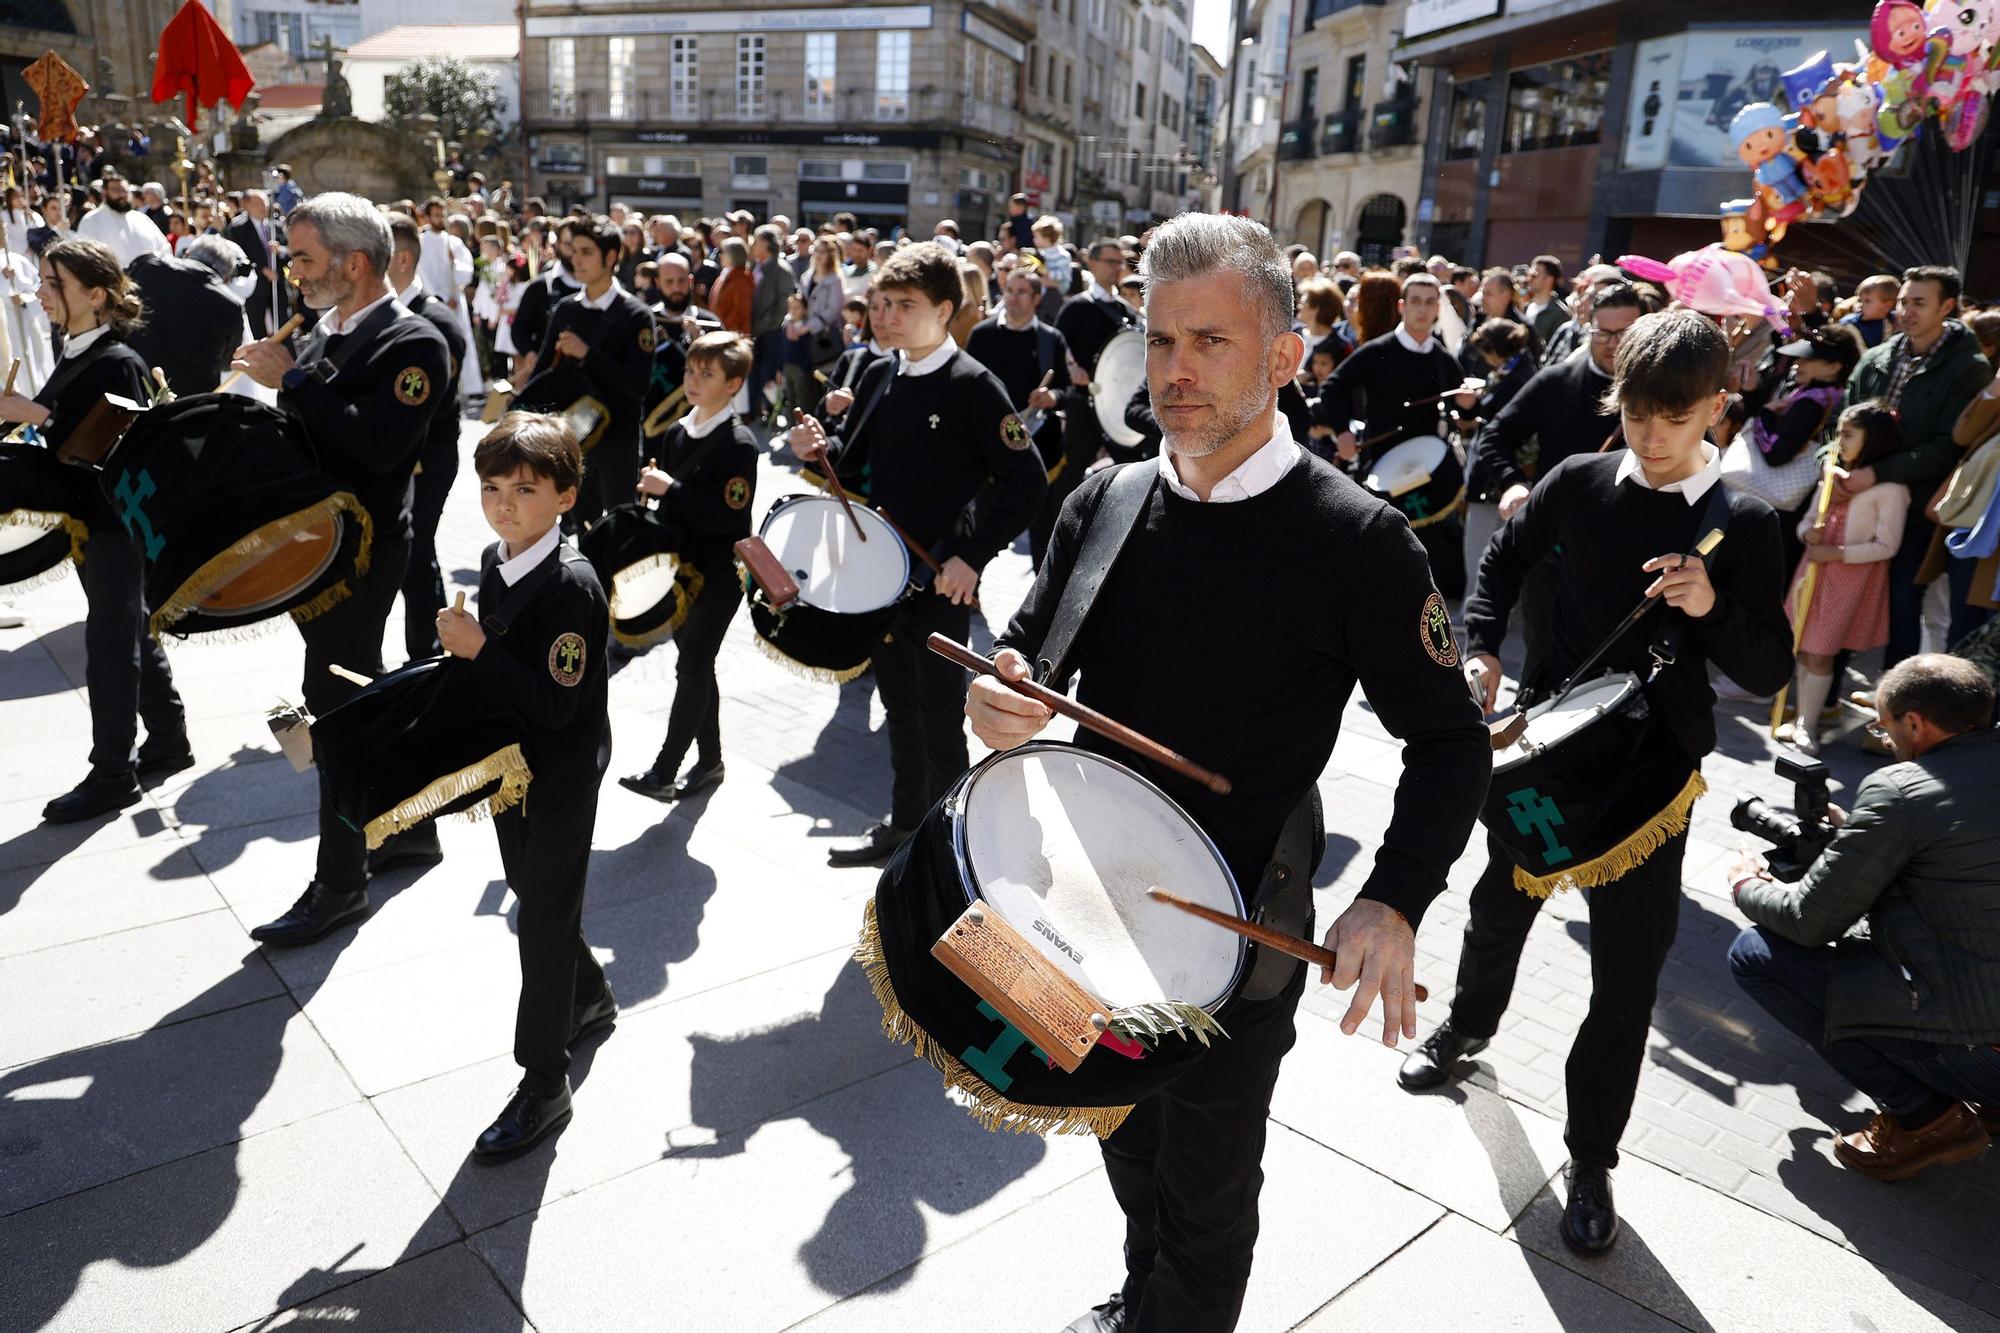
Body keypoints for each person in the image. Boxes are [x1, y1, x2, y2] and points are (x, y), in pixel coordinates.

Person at [968, 213, 1489, 1333]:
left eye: (1209, 341)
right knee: (1117, 1124)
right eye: (1159, 341)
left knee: (1205, 1190)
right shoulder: (1101, 500)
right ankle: (1140, 1286)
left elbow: (1450, 741)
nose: (1175, 372)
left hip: (1236, 929)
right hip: (1082, 907)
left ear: (1284, 357)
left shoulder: (1356, 542)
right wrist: (998, 694)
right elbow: (1025, 645)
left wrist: (1392, 897)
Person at [1405, 309, 1794, 1256]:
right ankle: (1466, 1025)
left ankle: (1592, 1157)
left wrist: (1711, 607)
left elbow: (1771, 663)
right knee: (1500, 904)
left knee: (1625, 978)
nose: (1653, 436)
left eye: (1675, 415)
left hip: (1648, 784)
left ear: (1716, 405)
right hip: (1543, 746)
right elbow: (1498, 564)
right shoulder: (1579, 479)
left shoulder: (1740, 520)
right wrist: (1484, 648)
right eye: (1636, 412)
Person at [233, 192, 454, 947]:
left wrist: (294, 380)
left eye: (304, 259)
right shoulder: (328, 332)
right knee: (358, 695)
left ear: (354, 264)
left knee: (334, 709)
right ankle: (412, 830)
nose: (293, 273)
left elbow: (377, 449)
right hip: (316, 546)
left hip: (364, 551)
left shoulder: (414, 341)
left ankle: (338, 885)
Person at [787, 242, 1047, 866]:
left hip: (937, 582)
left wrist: (972, 556)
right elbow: (850, 468)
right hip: (879, 578)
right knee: (897, 705)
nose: (886, 316)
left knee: (937, 715)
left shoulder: (974, 385)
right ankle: (906, 828)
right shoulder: (879, 375)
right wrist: (814, 447)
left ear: (946, 309)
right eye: (881, 303)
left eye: (905, 305)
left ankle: (955, 849)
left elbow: (1027, 481)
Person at [1728, 654, 2000, 1180]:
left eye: (1884, 724)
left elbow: (1810, 921)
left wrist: (1745, 885)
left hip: (1983, 1049)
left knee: (1756, 955)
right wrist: (1863, 837)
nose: (1885, 736)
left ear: (1916, 723)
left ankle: (1927, 1119)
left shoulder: (1901, 789)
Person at [433, 411, 616, 1159]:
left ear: (566, 496)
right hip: (512, 765)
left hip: (562, 774)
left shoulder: (571, 583)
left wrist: (478, 652)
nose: (504, 503)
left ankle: (544, 1081)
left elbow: (558, 701)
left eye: (525, 488)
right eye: (491, 487)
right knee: (530, 888)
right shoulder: (495, 554)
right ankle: (590, 995)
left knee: (539, 922)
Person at [0, 239, 188, 821]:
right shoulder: (80, 349)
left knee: (109, 648)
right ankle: (169, 739)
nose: (42, 294)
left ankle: (112, 773)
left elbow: (112, 449)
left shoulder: (117, 361)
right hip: (93, 521)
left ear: (96, 294)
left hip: (115, 525)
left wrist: (31, 414)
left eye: (54, 284)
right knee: (131, 631)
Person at [618, 333, 758, 802]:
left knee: (693, 664)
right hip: (680, 570)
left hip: (720, 574)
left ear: (733, 384)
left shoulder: (739, 443)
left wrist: (670, 489)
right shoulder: (679, 430)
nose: (693, 381)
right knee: (697, 668)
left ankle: (665, 770)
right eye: (690, 371)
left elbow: (729, 517)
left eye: (707, 374)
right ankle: (711, 761)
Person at [1844, 266, 1990, 664]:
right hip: (1851, 497)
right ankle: (1823, 699)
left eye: (1918, 303)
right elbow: (1836, 423)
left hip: (1915, 509)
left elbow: (1950, 448)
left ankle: (1896, 705)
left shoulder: (1969, 368)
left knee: (1903, 604)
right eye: (1903, 302)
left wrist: (1877, 473)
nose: (1906, 312)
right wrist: (1832, 463)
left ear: (1947, 306)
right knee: (1839, 594)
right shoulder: (1877, 357)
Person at [1310, 271, 1468, 599]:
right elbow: (1334, 387)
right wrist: (1341, 432)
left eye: (1429, 303)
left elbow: (1460, 411)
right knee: (1383, 545)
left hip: (1427, 470)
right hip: (1383, 464)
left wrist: (1466, 407)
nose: (1422, 310)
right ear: (1401, 306)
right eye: (1415, 302)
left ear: (1438, 307)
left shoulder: (1443, 358)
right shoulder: (1379, 349)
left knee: (1429, 548)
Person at [1781, 401, 1910, 755]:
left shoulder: (1891, 491)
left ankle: (1808, 725)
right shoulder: (1832, 477)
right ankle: (1801, 718)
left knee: (1820, 652)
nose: (1839, 441)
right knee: (1805, 648)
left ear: (1873, 440)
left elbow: (1887, 545)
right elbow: (1807, 521)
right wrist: (1809, 536)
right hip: (1813, 572)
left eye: (1849, 434)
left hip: (1847, 582)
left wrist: (1836, 553)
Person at [384, 214, 471, 659]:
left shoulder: (436, 320)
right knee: (404, 553)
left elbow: (425, 401)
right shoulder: (384, 314)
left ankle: (430, 651)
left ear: (400, 260)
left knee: (416, 551)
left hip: (426, 456)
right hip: (395, 454)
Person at [534, 217, 653, 524]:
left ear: (611, 257)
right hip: (573, 438)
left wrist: (588, 354)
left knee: (620, 528)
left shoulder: (635, 315)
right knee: (581, 530)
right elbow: (542, 370)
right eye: (574, 251)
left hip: (618, 441)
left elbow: (638, 385)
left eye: (586, 252)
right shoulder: (566, 309)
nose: (576, 259)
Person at [965, 266, 1073, 478]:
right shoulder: (981, 334)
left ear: (1036, 298)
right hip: (989, 444)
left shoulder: (1051, 339)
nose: (1013, 297)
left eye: (1021, 292)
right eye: (1009, 290)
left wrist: (1053, 397)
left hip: (1038, 446)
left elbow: (1066, 388)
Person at [123, 239, 246, 397]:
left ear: (188, 253)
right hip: (188, 401)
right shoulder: (231, 305)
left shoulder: (149, 267)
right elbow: (228, 361)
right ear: (226, 275)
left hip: (133, 382)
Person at [747, 224, 797, 415]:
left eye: (757, 240)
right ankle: (756, 408)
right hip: (756, 329)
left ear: (767, 244)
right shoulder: (755, 266)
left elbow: (783, 306)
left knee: (769, 372)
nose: (752, 244)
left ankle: (771, 409)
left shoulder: (781, 270)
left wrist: (766, 325)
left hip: (771, 331)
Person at [76, 172, 168, 268]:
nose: (122, 194)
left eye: (125, 190)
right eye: (116, 190)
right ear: (104, 194)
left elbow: (164, 248)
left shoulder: (141, 218)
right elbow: (85, 258)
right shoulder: (91, 220)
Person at [1840, 274, 1900, 349]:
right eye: (1859, 300)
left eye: (1867, 301)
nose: (1860, 305)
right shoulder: (1847, 324)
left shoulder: (1896, 323)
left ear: (1887, 305)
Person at [1523, 254, 1569, 349]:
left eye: (1534, 275)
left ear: (1549, 279)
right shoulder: (1524, 307)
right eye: (1528, 274)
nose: (1529, 279)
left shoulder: (1560, 314)